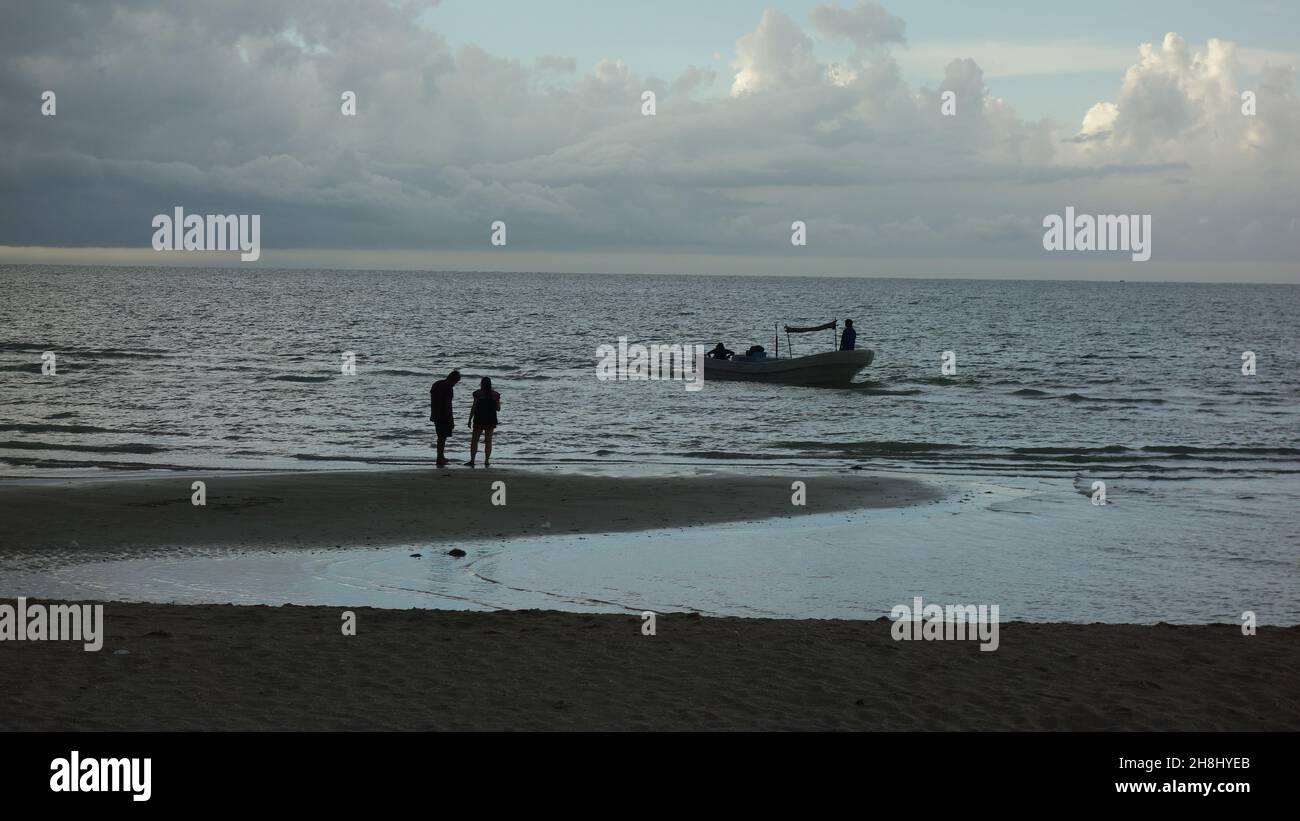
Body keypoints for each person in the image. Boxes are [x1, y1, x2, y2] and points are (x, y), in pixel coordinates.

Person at [465, 377, 501, 468]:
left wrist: (469, 420)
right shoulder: (496, 395)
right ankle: (486, 461)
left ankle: (472, 460)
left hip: (479, 419)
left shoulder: (477, 394)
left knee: (474, 441)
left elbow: (474, 407)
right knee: (488, 441)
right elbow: (498, 409)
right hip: (491, 420)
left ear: (481, 384)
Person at [429, 369, 460, 467]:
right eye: (456, 382)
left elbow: (432, 400)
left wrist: (432, 414)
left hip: (436, 414)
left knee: (440, 437)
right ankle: (439, 458)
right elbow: (448, 405)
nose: (455, 384)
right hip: (444, 415)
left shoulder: (437, 384)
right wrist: (451, 420)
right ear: (454, 380)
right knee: (442, 437)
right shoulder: (449, 388)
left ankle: (441, 456)